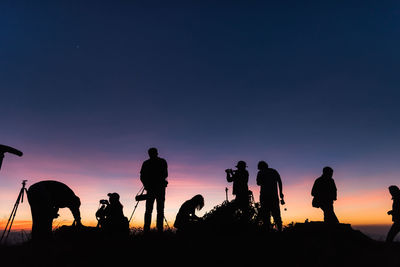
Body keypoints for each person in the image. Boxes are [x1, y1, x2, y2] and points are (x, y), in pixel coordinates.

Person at [140, 147, 168, 233]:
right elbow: (165, 174)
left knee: (149, 210)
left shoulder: (146, 163)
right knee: (159, 210)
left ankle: (147, 231)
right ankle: (159, 230)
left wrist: (146, 185)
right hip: (159, 189)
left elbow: (142, 176)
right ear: (157, 153)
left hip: (152, 189)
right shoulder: (162, 161)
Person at [256, 161, 284, 231]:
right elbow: (279, 181)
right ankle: (280, 230)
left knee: (266, 216)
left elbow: (258, 183)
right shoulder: (274, 171)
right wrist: (281, 192)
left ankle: (268, 232)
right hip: (274, 196)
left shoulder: (260, 173)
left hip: (264, 196)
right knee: (277, 215)